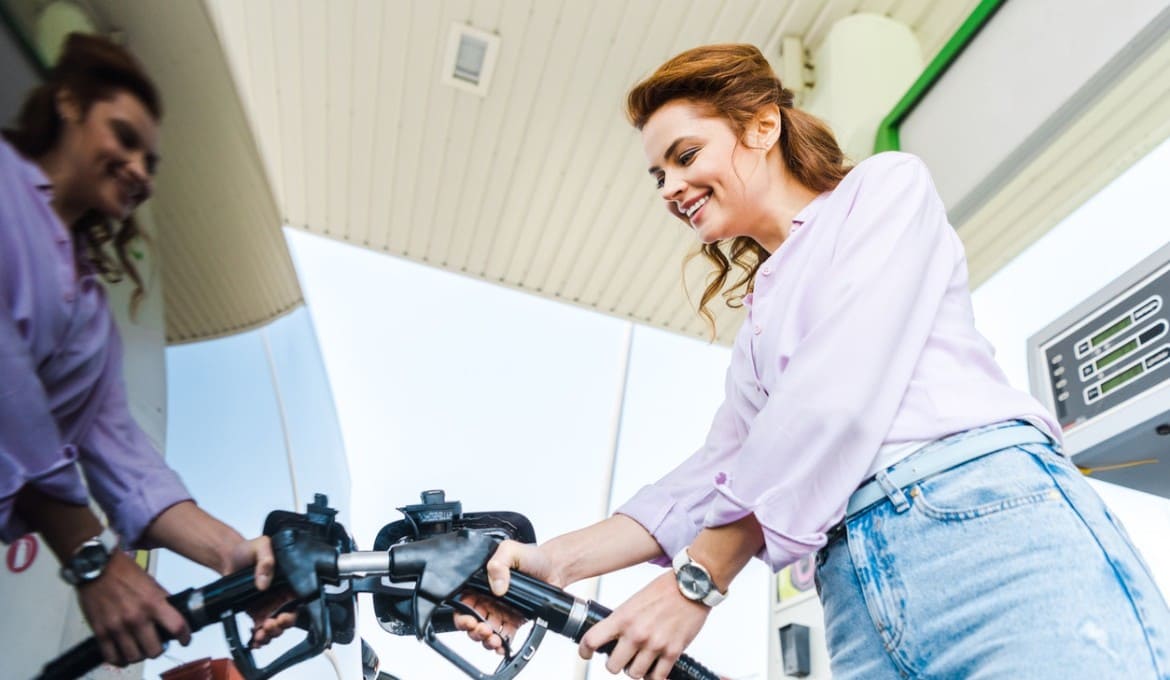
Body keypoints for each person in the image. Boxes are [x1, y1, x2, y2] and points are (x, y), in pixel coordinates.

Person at [456, 44, 1170, 679]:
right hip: (854, 590)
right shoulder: (760, 324)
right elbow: (710, 478)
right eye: (657, 176)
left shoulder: (884, 191)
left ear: (761, 127)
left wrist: (694, 582)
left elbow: (837, 394)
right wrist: (550, 565)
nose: (670, 188)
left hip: (985, 533)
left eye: (684, 156)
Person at [0, 33, 291, 666]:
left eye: (150, 162)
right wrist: (89, 556)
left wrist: (233, 552)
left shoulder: (87, 311)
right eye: (125, 138)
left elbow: (122, 458)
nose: (138, 170)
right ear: (70, 106)